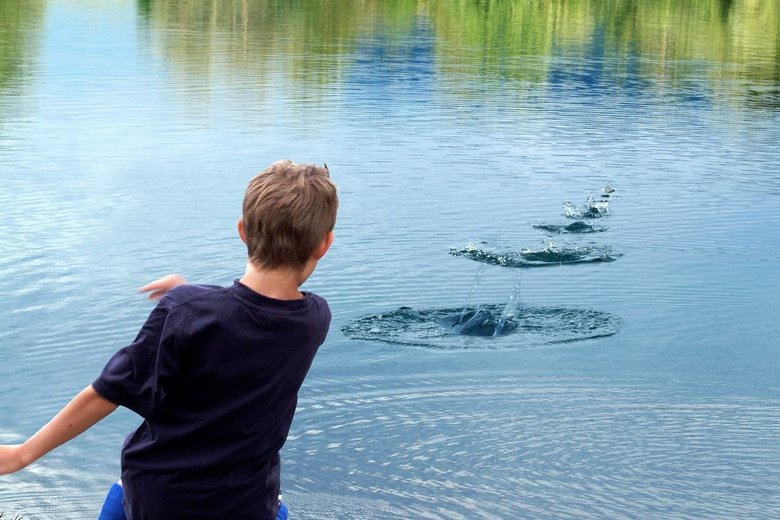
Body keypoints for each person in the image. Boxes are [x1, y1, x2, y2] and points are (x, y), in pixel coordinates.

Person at [0, 160, 338, 519]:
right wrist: (191, 297)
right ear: (324, 244)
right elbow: (250, 316)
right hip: (248, 503)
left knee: (125, 488)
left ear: (242, 230)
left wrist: (23, 454)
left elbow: (107, 393)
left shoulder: (185, 311)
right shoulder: (315, 319)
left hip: (161, 498)